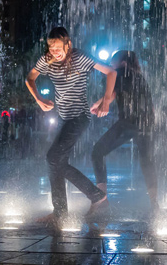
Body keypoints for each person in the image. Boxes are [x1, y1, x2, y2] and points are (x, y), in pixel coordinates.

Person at [25, 27, 117, 227]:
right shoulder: (47, 60)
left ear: (68, 44)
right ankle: (60, 213)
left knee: (53, 159)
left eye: (58, 47)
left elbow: (111, 72)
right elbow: (29, 78)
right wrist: (39, 99)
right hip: (63, 118)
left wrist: (107, 100)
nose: (54, 51)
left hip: (80, 117)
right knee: (54, 163)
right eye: (51, 47)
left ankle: (96, 196)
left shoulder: (80, 58)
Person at [90, 50, 158, 212]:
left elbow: (112, 93)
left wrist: (98, 104)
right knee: (146, 161)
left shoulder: (120, 72)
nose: (111, 67)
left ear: (122, 63)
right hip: (147, 123)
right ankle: (155, 204)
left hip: (128, 122)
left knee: (97, 152)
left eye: (113, 63)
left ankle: (102, 198)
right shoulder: (139, 76)